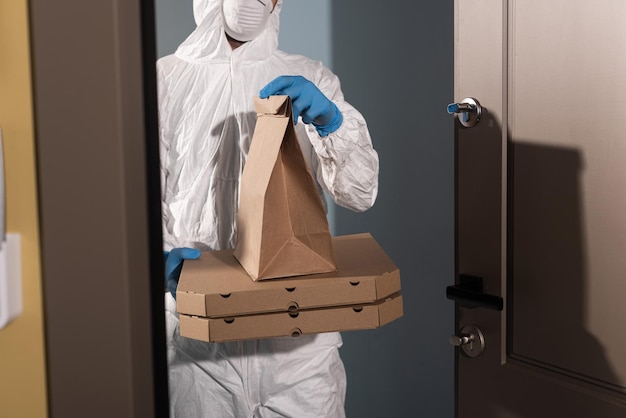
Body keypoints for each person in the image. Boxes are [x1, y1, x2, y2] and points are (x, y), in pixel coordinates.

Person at [159, 0, 379, 416]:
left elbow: (360, 193)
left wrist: (332, 121)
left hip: (298, 350)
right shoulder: (163, 82)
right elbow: (135, 201)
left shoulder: (310, 77)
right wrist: (157, 262)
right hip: (199, 349)